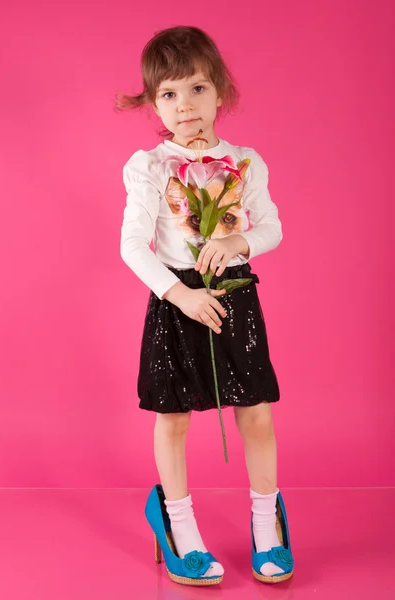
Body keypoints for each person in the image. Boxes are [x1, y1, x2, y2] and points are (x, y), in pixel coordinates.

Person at [115, 25, 294, 586]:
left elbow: (271, 227)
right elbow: (130, 245)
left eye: (195, 89)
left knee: (257, 413)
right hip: (178, 300)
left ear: (220, 91)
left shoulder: (245, 162)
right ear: (153, 103)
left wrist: (236, 242)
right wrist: (182, 295)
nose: (184, 105)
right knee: (173, 418)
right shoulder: (149, 166)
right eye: (168, 94)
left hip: (234, 298)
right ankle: (178, 523)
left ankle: (268, 523)